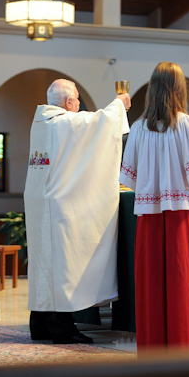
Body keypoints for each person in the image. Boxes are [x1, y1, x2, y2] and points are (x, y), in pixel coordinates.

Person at [119, 62, 189, 355]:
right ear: (179, 89)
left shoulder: (137, 128)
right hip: (180, 215)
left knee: (151, 283)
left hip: (149, 217)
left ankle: (152, 352)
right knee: (181, 281)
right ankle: (183, 349)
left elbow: (129, 178)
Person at [24, 79, 131, 344]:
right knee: (61, 269)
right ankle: (62, 329)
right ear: (68, 102)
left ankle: (40, 326)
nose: (80, 103)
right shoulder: (62, 123)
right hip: (57, 207)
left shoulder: (41, 122)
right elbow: (98, 124)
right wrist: (120, 105)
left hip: (39, 202)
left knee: (44, 268)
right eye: (78, 99)